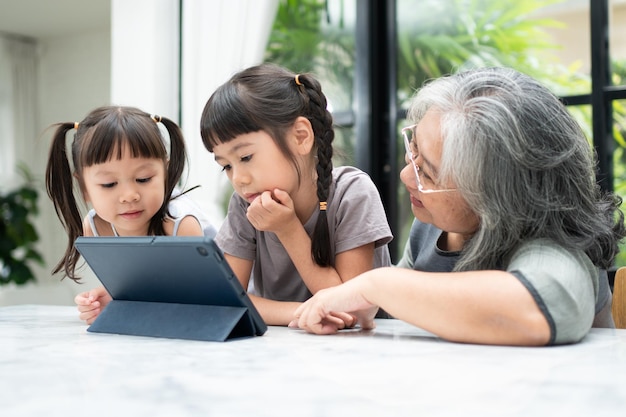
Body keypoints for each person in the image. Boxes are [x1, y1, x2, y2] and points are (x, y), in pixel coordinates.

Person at [291, 67, 626, 346]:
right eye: (414, 152)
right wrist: (368, 305)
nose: (408, 174)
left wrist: (375, 286)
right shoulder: (436, 224)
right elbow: (410, 305)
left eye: (428, 172)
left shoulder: (556, 247)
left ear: (496, 196)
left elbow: (536, 310)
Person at [200, 63, 393, 326]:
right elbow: (226, 299)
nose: (238, 178)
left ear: (301, 137)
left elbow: (356, 312)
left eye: (245, 157)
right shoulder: (245, 204)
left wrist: (288, 229)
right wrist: (306, 314)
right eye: (226, 165)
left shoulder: (353, 193)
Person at [45, 106, 215, 323]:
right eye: (109, 184)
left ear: (165, 173)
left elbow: (198, 299)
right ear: (85, 187)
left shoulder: (180, 224)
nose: (129, 196)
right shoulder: (97, 226)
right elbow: (136, 290)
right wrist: (107, 300)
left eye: (143, 179)